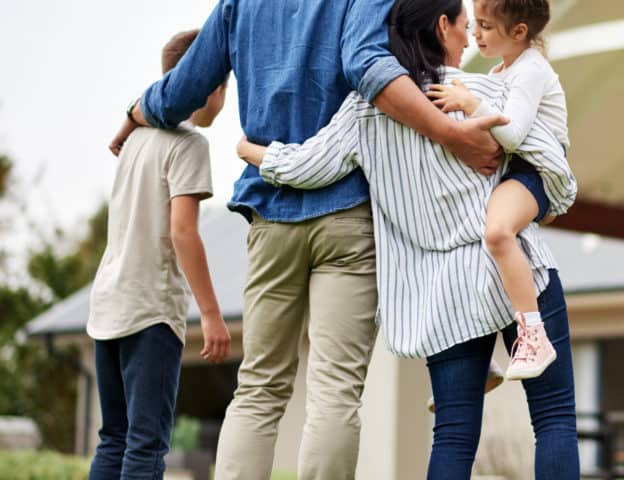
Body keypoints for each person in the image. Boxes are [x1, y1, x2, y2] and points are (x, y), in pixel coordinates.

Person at [107, 1, 509, 479]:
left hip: (272, 214)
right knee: (335, 388)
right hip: (348, 215)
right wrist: (450, 132)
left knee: (258, 387)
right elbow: (369, 66)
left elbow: (184, 88)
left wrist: (137, 111)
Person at [236, 0, 580, 477]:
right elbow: (547, 150)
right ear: (442, 26)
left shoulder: (362, 110)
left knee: (454, 434)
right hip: (512, 268)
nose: (470, 38)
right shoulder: (476, 89)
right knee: (554, 416)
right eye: (465, 26)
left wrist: (246, 149)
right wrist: (554, 196)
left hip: (441, 297)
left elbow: (304, 169)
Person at [87, 29, 231, 480]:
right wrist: (210, 313)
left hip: (107, 304)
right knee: (147, 445)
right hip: (150, 311)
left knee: (114, 439)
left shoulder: (135, 141)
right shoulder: (190, 145)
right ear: (206, 83)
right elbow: (183, 232)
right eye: (224, 84)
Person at [426, 0, 574, 381]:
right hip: (511, 171)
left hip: (535, 170)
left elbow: (511, 135)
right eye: (475, 25)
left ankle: (533, 335)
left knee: (497, 232)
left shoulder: (531, 71)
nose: (475, 35)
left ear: (519, 32)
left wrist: (469, 101)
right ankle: (488, 356)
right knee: (475, 247)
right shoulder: (501, 70)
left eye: (486, 27)